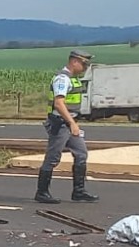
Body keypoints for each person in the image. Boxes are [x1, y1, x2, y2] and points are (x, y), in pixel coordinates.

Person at [36, 48, 98, 204]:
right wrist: (71, 123)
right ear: (75, 62)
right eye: (84, 64)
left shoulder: (73, 78)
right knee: (53, 157)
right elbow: (59, 103)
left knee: (81, 153)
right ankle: (42, 192)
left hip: (70, 123)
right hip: (61, 124)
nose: (85, 68)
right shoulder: (62, 79)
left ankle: (79, 192)